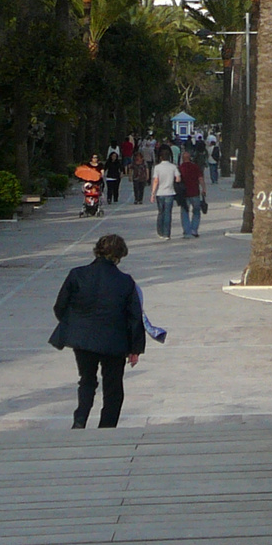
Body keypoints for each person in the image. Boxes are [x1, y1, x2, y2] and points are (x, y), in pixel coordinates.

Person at [50, 233, 144, 428]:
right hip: (114, 341)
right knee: (113, 388)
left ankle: (80, 420)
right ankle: (106, 427)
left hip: (83, 339)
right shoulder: (126, 281)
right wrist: (135, 348)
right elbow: (134, 317)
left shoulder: (77, 274)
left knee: (86, 380)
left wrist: (75, 325)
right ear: (120, 256)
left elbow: (60, 306)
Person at [150, 147, 180, 239]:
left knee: (161, 212)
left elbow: (156, 180)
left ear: (160, 157)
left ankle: (160, 232)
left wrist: (153, 194)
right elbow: (178, 178)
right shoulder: (173, 167)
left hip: (160, 193)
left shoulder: (157, 167)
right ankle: (167, 233)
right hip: (170, 192)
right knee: (168, 213)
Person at [176, 149, 205, 238]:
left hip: (184, 194)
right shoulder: (195, 167)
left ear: (182, 159)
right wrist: (203, 189)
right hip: (195, 192)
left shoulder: (180, 168)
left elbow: (177, 181)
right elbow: (200, 179)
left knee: (184, 212)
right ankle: (194, 230)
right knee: (196, 211)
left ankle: (187, 232)